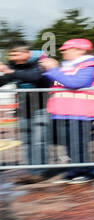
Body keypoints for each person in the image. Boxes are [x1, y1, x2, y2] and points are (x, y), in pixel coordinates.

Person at [43, 38, 94, 183]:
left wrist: (53, 70)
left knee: (78, 144)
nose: (63, 52)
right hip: (65, 110)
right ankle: (73, 172)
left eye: (66, 49)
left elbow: (76, 83)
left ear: (80, 50)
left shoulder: (90, 65)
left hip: (82, 111)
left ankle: (85, 172)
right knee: (69, 144)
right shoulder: (68, 66)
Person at [1, 43, 54, 178]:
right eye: (11, 55)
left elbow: (34, 77)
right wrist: (8, 72)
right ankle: (32, 170)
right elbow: (5, 80)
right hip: (24, 109)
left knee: (39, 141)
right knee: (28, 141)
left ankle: (40, 171)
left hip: (41, 107)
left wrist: (10, 71)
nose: (13, 58)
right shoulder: (13, 66)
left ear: (27, 54)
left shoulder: (40, 62)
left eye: (16, 54)